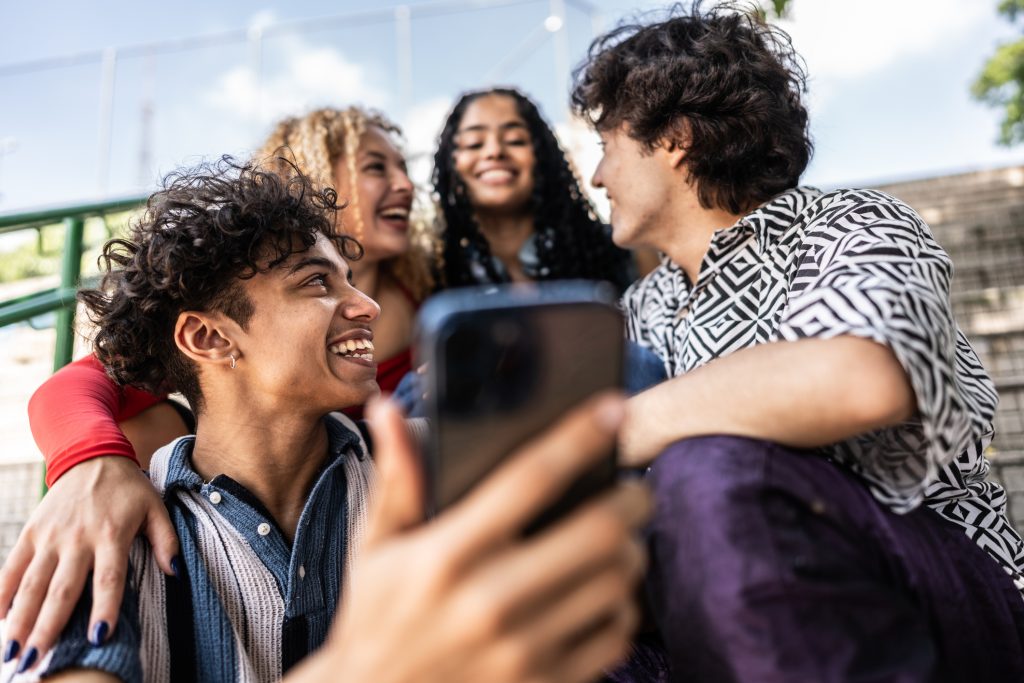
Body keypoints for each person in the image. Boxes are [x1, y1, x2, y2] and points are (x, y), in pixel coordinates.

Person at [0, 157, 649, 680]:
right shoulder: (111, 536)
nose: (364, 304)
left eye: (351, 279)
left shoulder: (438, 468)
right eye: (317, 282)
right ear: (208, 338)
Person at [569, 3, 1024, 681]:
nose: (598, 176)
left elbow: (859, 374)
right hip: (718, 612)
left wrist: (607, 429)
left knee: (710, 470)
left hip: (941, 590)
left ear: (675, 136)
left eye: (607, 143)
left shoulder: (850, 224)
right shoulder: (639, 310)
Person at [433, 87, 635, 293]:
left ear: (542, 156)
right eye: (474, 144)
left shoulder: (621, 251)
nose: (494, 151)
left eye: (515, 140)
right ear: (451, 164)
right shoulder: (430, 277)